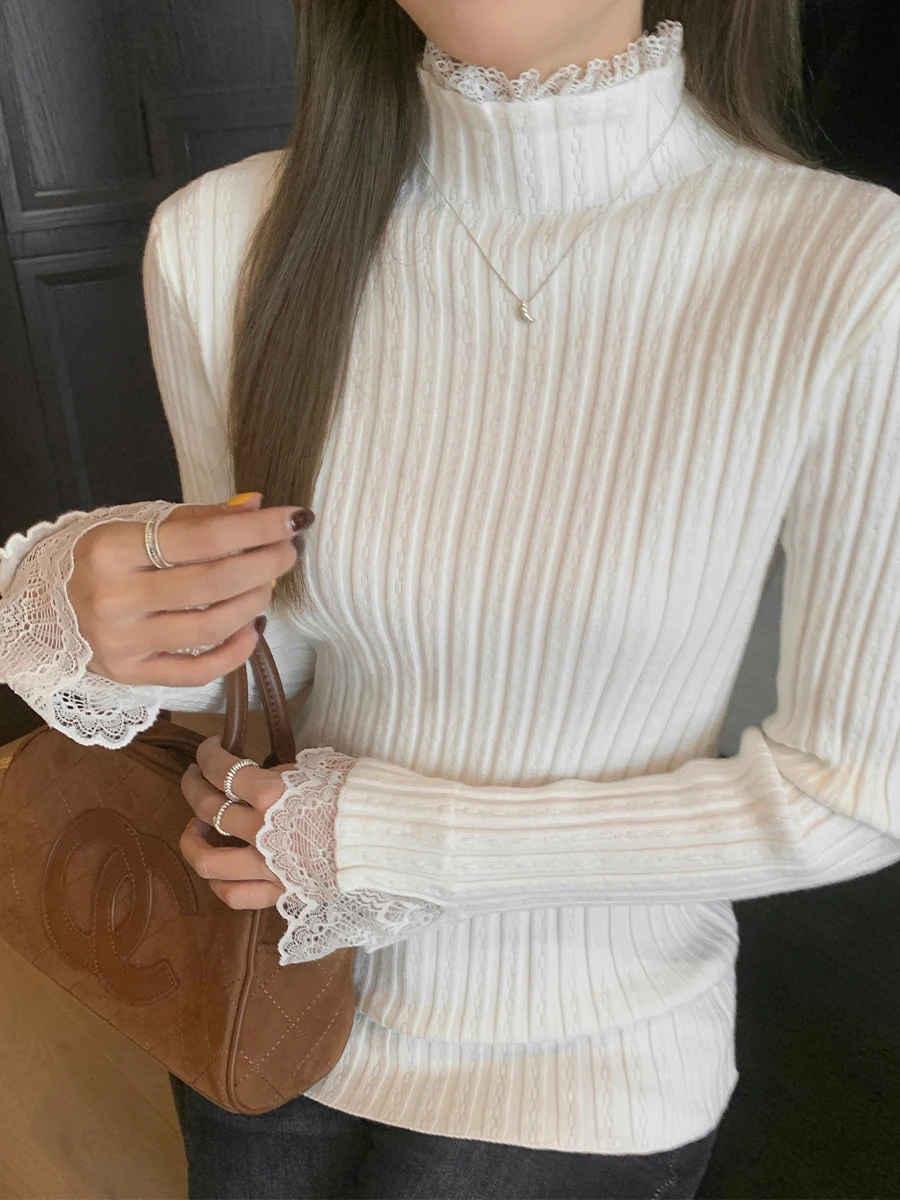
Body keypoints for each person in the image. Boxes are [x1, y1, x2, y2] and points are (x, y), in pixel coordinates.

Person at [2, 1, 899, 1197]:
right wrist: (67, 610)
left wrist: (383, 841)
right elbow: (271, 671)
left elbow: (852, 794)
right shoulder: (224, 237)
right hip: (263, 1011)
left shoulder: (845, 264)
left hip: (586, 1071)